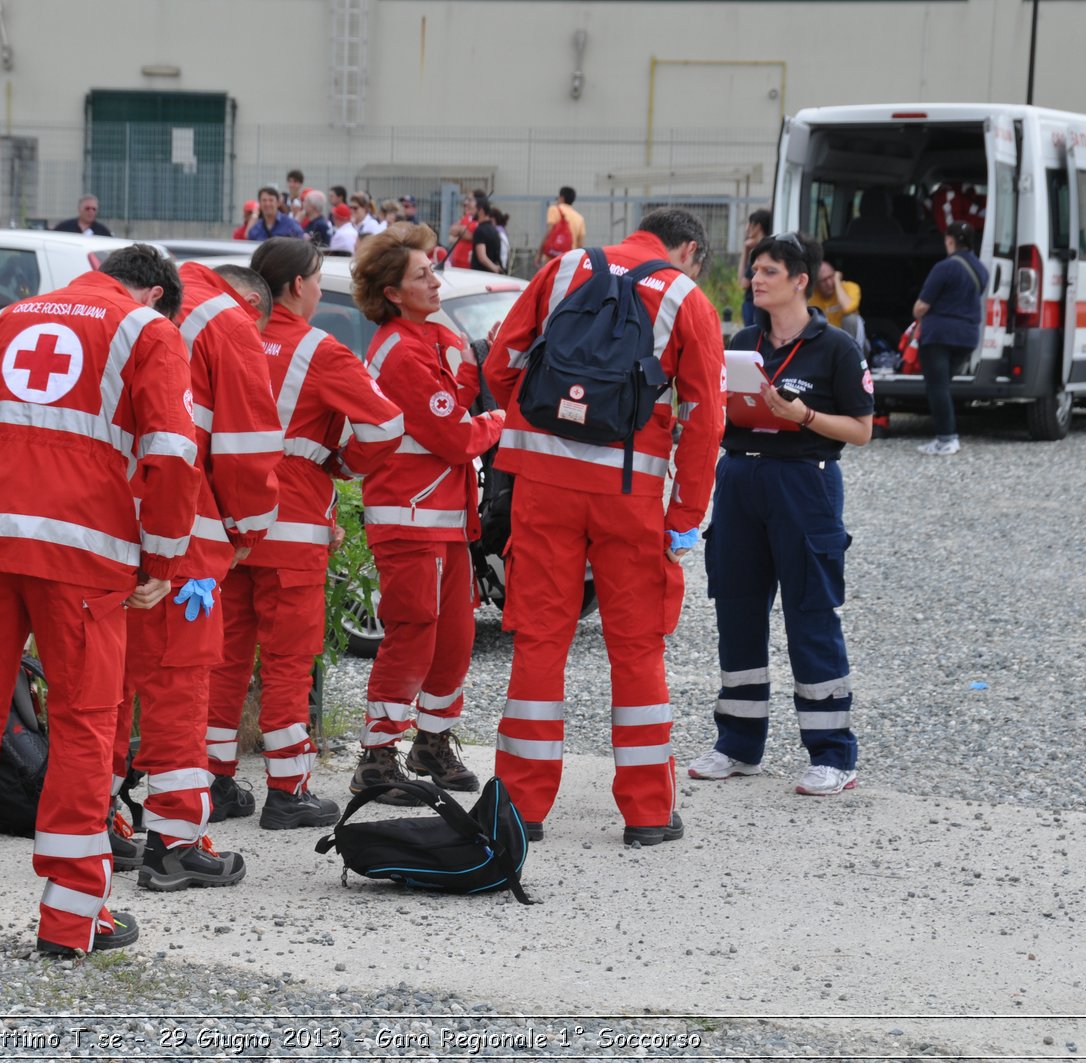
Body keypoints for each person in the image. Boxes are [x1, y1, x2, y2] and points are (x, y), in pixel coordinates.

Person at [0, 244, 199, 957]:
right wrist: (160, 556)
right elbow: (172, 455)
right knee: (83, 726)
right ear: (157, 294)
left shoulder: (5, 319)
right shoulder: (145, 332)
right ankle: (72, 924)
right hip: (83, 555)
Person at [482, 208, 726, 846]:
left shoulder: (563, 269)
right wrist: (684, 519)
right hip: (629, 494)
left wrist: (538, 427)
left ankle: (520, 809)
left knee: (538, 642)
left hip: (541, 487)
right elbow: (705, 420)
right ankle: (647, 814)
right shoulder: (686, 298)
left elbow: (501, 364)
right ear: (689, 249)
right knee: (637, 648)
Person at [206, 238, 403, 830]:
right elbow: (386, 424)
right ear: (297, 285)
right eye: (318, 280)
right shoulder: (320, 350)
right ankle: (288, 790)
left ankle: (211, 781)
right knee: (289, 658)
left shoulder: (224, 334)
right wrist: (342, 464)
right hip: (290, 524)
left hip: (223, 519)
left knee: (224, 654)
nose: (321, 290)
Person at [110, 261, 284, 891]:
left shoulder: (115, 308)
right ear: (251, 301)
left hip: (96, 527)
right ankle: (175, 844)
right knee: (179, 689)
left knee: (109, 683)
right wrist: (247, 533)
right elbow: (245, 449)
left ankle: (100, 822)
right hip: (180, 530)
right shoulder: (227, 320)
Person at [686, 231, 874, 796]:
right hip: (741, 477)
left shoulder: (836, 346)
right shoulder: (744, 340)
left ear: (799, 280)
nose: (755, 280)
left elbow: (861, 430)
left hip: (804, 484)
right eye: (753, 271)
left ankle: (833, 756)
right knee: (737, 612)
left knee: (810, 615)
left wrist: (805, 414)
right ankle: (738, 746)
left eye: (767, 271)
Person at [348, 223, 505, 801]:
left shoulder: (428, 336)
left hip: (441, 516)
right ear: (393, 291)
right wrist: (500, 423)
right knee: (413, 635)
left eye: (434, 269)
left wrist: (474, 355)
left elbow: (459, 390)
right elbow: (455, 434)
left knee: (455, 638)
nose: (436, 280)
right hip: (408, 517)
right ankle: (377, 755)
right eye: (423, 274)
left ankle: (431, 741)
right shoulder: (400, 350)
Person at [912, 221, 984, 456]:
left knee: (937, 387)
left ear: (950, 240)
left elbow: (922, 306)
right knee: (943, 385)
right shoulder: (982, 269)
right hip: (968, 336)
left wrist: (915, 313)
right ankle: (946, 436)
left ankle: (947, 438)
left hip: (939, 335)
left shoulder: (944, 268)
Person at [810, 258, 866, 350]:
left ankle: (855, 359)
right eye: (823, 281)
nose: (829, 283)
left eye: (831, 277)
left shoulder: (850, 287)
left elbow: (847, 308)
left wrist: (837, 282)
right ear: (816, 283)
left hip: (854, 344)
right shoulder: (810, 298)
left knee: (850, 318)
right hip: (827, 344)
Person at [739, 208, 773, 327]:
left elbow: (743, 283)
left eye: (749, 224)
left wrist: (745, 250)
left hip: (755, 305)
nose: (747, 228)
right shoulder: (769, 247)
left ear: (758, 226)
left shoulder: (760, 252)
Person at [540, 186, 586, 262]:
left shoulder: (554, 209)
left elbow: (549, 232)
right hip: (569, 259)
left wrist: (539, 253)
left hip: (552, 257)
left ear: (561, 198)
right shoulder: (579, 218)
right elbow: (580, 245)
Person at [446, 189, 481, 269]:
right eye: (466, 200)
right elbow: (452, 232)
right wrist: (462, 232)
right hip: (457, 263)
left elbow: (470, 235)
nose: (466, 203)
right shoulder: (466, 217)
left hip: (468, 265)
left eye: (470, 200)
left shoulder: (479, 219)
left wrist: (460, 232)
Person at [470, 198, 502, 274]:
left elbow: (482, 257)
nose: (472, 213)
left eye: (474, 209)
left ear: (481, 211)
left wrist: (495, 269)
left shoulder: (480, 230)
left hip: (481, 276)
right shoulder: (494, 230)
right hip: (492, 277)